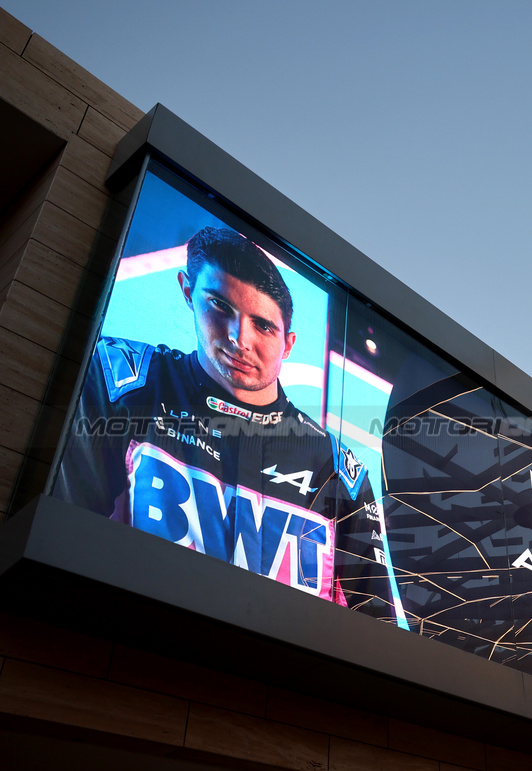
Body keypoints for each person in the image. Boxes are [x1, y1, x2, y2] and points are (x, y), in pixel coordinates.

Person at [55, 227, 395, 621]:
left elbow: (375, 626)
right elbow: (59, 534)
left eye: (263, 326)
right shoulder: (123, 381)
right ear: (187, 291)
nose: (239, 339)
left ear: (288, 343)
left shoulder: (338, 467)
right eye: (219, 305)